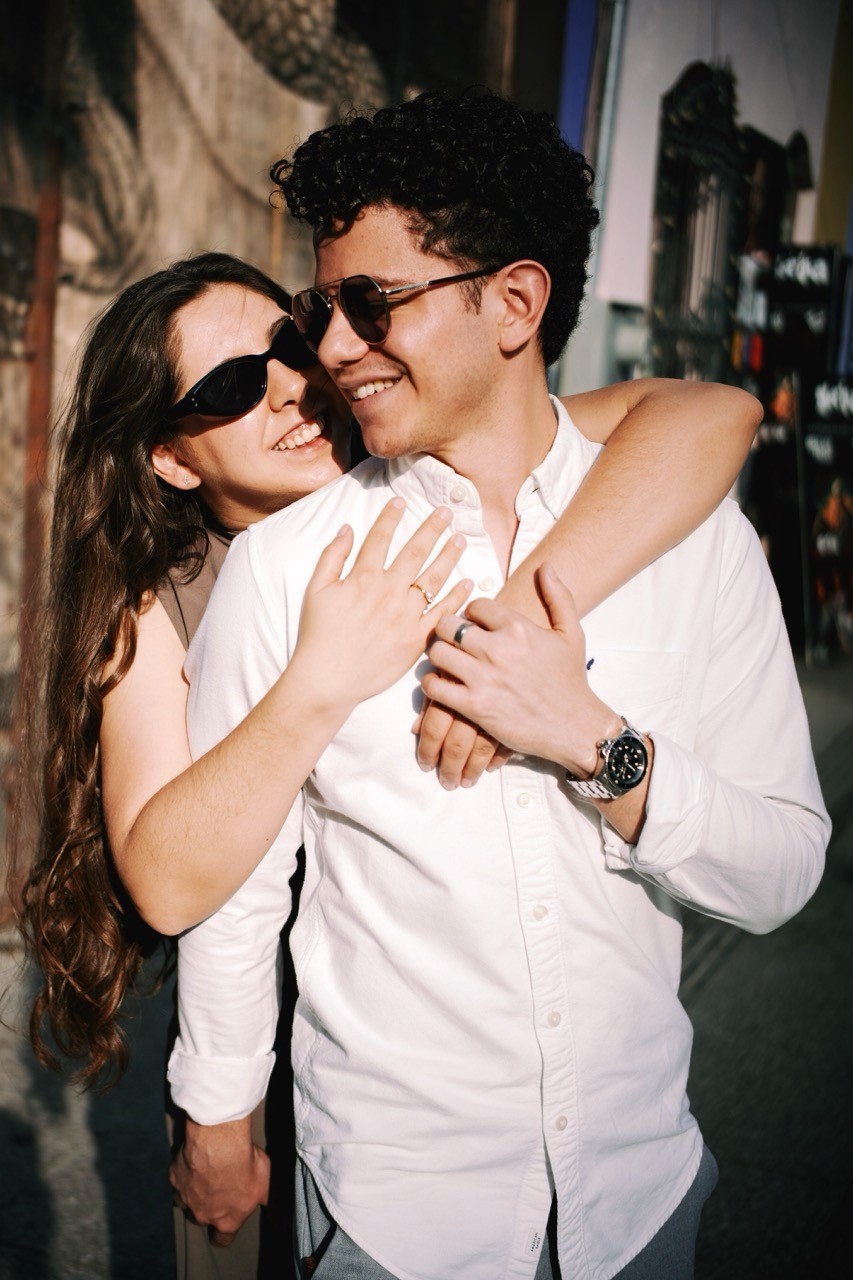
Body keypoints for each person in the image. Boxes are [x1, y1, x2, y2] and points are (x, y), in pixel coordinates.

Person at [167, 91, 829, 1280]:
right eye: (322, 310)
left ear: (515, 303)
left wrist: (597, 744)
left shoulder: (695, 542)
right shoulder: (286, 564)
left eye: (373, 304)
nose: (331, 348)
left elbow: (782, 870)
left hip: (638, 1200)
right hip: (390, 1212)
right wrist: (217, 1109)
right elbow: (241, 887)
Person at [13, 240, 757, 1280]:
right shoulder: (163, 602)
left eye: (287, 345)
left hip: (454, 1086)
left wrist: (509, 627)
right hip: (258, 1062)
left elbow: (713, 414)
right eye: (229, 388)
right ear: (172, 459)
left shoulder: (417, 465)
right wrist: (318, 680)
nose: (288, 388)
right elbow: (171, 884)